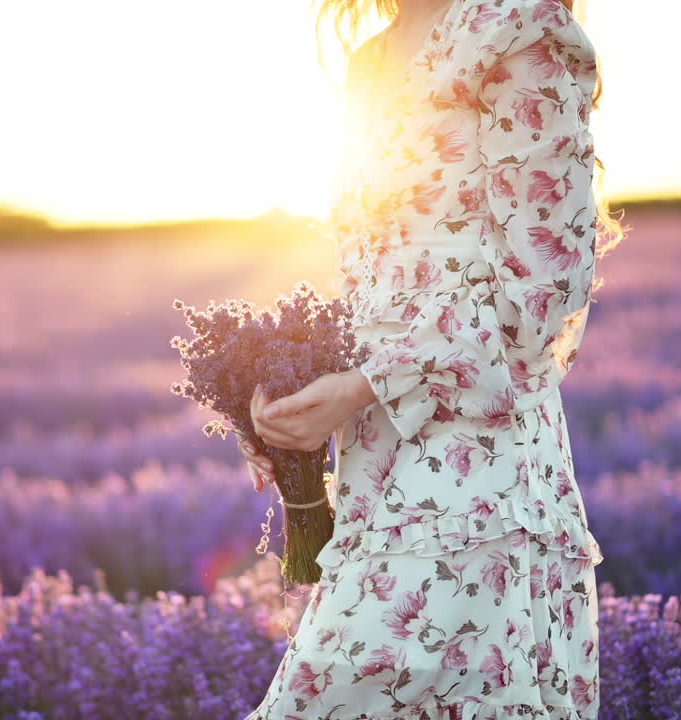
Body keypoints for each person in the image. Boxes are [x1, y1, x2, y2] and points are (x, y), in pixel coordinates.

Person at [240, 0, 625, 717]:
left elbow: (541, 295)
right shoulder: (367, 64)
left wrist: (364, 384)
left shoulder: (520, 29)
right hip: (373, 469)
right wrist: (294, 396)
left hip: (477, 473)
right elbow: (375, 281)